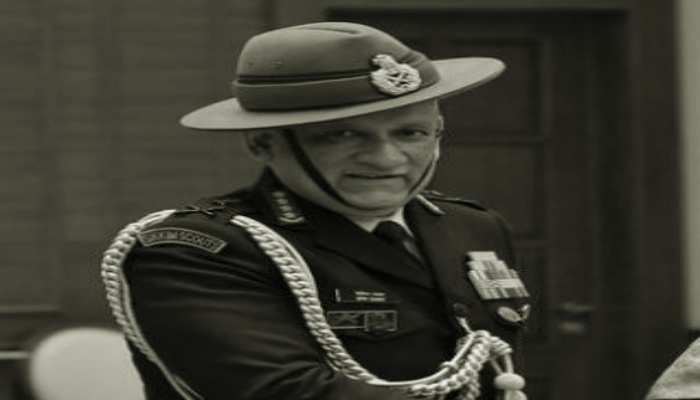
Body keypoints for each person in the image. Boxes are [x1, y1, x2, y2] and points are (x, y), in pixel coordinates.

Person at [101, 21, 532, 400]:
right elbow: (284, 392)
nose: (386, 158)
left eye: (410, 133)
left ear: (438, 132)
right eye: (342, 135)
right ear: (263, 144)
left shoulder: (473, 226)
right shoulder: (195, 250)